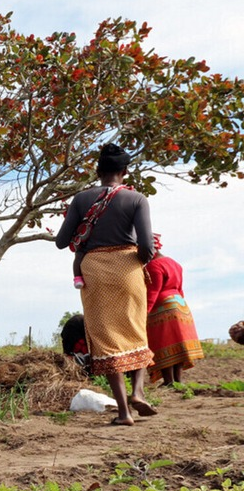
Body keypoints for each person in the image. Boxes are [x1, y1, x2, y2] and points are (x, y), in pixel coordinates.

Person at [55, 143, 157, 425]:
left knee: (107, 337)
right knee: (135, 330)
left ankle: (124, 412)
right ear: (125, 172)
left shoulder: (81, 199)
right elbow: (147, 245)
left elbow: (62, 241)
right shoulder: (137, 199)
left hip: (94, 271)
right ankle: (138, 392)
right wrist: (136, 260)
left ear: (98, 172)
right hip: (128, 268)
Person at [144, 235, 204, 385]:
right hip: (180, 305)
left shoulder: (153, 265)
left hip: (163, 307)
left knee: (162, 344)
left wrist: (145, 312)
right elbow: (180, 289)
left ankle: (169, 381)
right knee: (177, 346)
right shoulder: (175, 264)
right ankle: (178, 381)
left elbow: (153, 291)